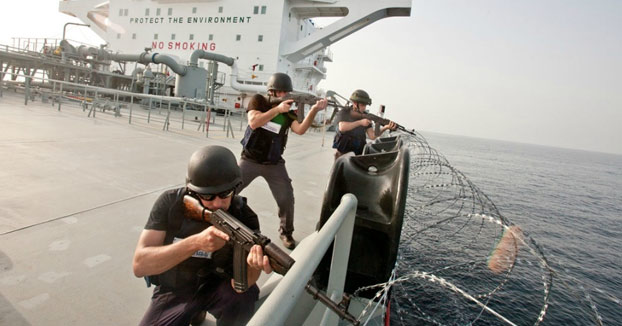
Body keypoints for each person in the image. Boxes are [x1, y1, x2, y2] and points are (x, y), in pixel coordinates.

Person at [132, 145, 272, 326]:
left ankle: (198, 310)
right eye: (208, 197)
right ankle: (193, 312)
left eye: (225, 194)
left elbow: (245, 284)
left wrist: (254, 267)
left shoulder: (245, 216)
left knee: (244, 299)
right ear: (193, 192)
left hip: (219, 287)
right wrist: (195, 243)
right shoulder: (171, 203)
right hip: (175, 291)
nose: (217, 204)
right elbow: (139, 265)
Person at [239, 72, 327, 249]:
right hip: (250, 159)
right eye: (280, 92)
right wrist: (277, 110)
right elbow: (254, 122)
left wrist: (314, 110)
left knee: (286, 198)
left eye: (286, 93)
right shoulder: (259, 101)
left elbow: (300, 129)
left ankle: (286, 233)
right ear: (271, 92)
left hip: (274, 162)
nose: (283, 96)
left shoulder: (289, 113)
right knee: (229, 189)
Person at [332, 89, 397, 159]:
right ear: (354, 103)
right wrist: (360, 122)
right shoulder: (345, 111)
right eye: (362, 105)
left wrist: (385, 127)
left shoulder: (366, 115)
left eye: (365, 105)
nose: (364, 107)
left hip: (358, 154)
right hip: (343, 154)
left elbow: (372, 136)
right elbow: (342, 127)